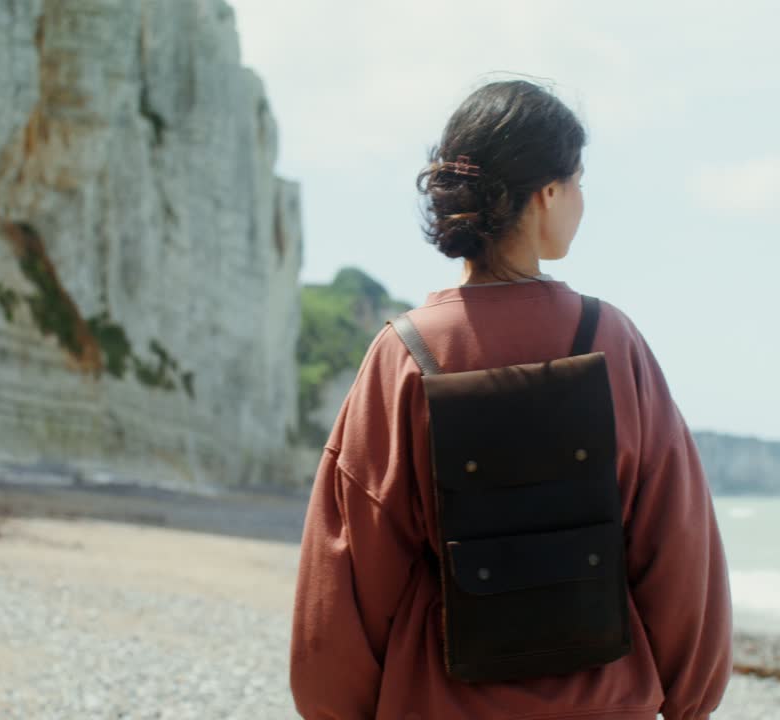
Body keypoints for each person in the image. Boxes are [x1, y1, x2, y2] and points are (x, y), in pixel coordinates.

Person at [290, 79, 732, 720]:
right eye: (577, 180)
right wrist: (690, 698)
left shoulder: (404, 353)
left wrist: (340, 709)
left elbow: (353, 560)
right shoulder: (610, 340)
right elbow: (675, 538)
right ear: (546, 193)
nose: (582, 200)